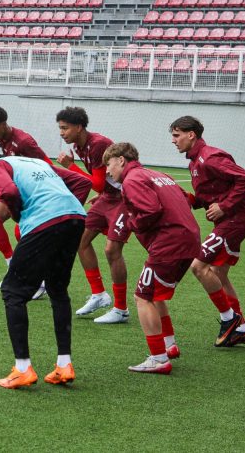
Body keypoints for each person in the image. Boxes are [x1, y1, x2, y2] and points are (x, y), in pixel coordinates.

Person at [0, 154, 92, 389]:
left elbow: (8, 192)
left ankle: (22, 369)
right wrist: (64, 214)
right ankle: (64, 365)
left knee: (12, 291)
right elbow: (82, 182)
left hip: (44, 222)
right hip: (75, 219)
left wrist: (20, 216)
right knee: (58, 289)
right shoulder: (37, 163)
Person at [103, 142, 201, 375]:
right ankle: (169, 345)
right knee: (156, 295)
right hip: (189, 240)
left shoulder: (132, 180)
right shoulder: (158, 174)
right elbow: (185, 200)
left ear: (121, 160)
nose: (107, 170)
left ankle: (158, 358)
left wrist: (132, 224)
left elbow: (150, 210)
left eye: (108, 164)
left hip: (169, 243)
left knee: (142, 297)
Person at [170, 116, 245, 347]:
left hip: (235, 219)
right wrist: (184, 197)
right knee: (218, 273)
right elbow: (206, 197)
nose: (173, 141)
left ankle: (230, 320)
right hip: (230, 221)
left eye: (176, 135)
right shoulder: (194, 162)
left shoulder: (210, 157)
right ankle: (241, 329)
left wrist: (224, 206)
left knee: (198, 266)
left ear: (191, 135)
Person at [56, 107, 131, 324]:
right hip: (107, 197)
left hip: (125, 198)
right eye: (60, 128)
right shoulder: (80, 146)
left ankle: (121, 309)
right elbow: (101, 182)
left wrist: (70, 166)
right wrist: (102, 193)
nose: (61, 133)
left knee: (112, 250)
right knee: (80, 240)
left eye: (65, 128)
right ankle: (99, 294)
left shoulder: (98, 144)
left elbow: (96, 183)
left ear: (79, 127)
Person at [0, 105, 54, 293]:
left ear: (3, 124)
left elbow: (47, 165)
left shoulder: (24, 142)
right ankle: (13, 269)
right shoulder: (2, 138)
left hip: (36, 193)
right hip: (18, 190)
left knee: (22, 233)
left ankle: (40, 281)